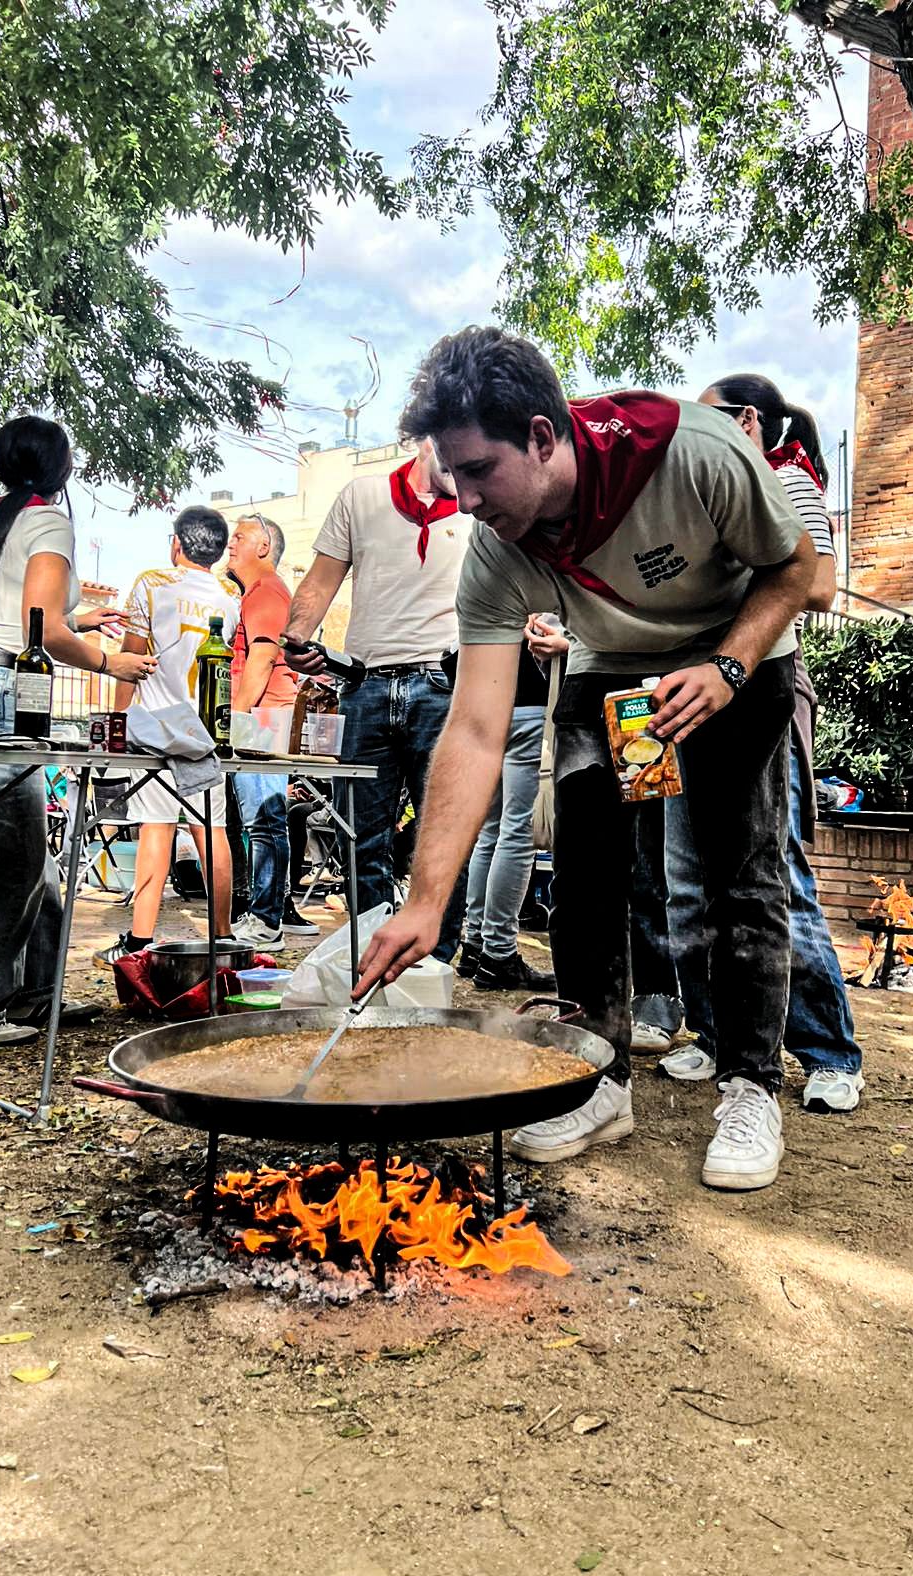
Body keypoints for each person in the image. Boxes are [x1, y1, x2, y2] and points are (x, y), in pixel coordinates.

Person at [356, 326, 815, 1192]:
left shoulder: (695, 452)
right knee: (588, 872)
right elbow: (476, 728)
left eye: (479, 471)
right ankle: (602, 1076)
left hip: (739, 656)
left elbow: (794, 571)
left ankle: (750, 1085)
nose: (462, 500)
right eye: (450, 476)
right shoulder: (494, 554)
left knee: (738, 872)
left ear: (540, 435)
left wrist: (728, 666)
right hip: (609, 668)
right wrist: (425, 902)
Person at [662, 374, 865, 1113]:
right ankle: (719, 1038)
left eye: (706, 420)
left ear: (747, 420)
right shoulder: (705, 491)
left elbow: (816, 589)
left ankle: (828, 1051)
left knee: (774, 878)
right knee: (689, 880)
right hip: (689, 695)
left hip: (767, 688)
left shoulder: (788, 479)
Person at [0, 416, 153, 1045]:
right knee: (2, 867)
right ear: (61, 467)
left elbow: (12, 610)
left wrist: (80, 613)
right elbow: (40, 630)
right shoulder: (48, 520)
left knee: (30, 861)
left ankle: (32, 998)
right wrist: (110, 660)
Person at [283, 439, 471, 960]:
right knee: (360, 838)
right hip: (363, 685)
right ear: (426, 439)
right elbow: (320, 582)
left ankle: (435, 965)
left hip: (443, 685)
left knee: (444, 837)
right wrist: (297, 637)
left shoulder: (479, 506)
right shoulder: (361, 496)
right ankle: (372, 955)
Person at [521, 612, 680, 1043]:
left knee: (650, 868)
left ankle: (658, 999)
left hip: (647, 698)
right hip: (583, 700)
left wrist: (567, 646)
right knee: (578, 879)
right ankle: (583, 1016)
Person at [96, 507, 240, 966]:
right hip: (207, 727)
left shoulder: (153, 583)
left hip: (157, 725)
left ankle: (139, 940)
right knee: (211, 829)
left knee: (155, 828)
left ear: (176, 542)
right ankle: (224, 937)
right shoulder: (229, 594)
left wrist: (119, 717)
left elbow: (130, 659)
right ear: (217, 550)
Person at [226, 514, 317, 950]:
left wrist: (235, 720)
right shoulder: (263, 592)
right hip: (266, 715)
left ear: (264, 547)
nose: (230, 544)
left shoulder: (265, 591)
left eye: (240, 536)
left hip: (262, 718)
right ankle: (272, 913)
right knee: (266, 822)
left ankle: (266, 920)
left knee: (263, 822)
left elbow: (261, 659)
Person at [455, 640, 555, 991]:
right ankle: (498, 953)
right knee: (518, 833)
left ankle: (475, 944)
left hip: (486, 706)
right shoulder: (538, 590)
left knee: (492, 832)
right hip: (530, 702)